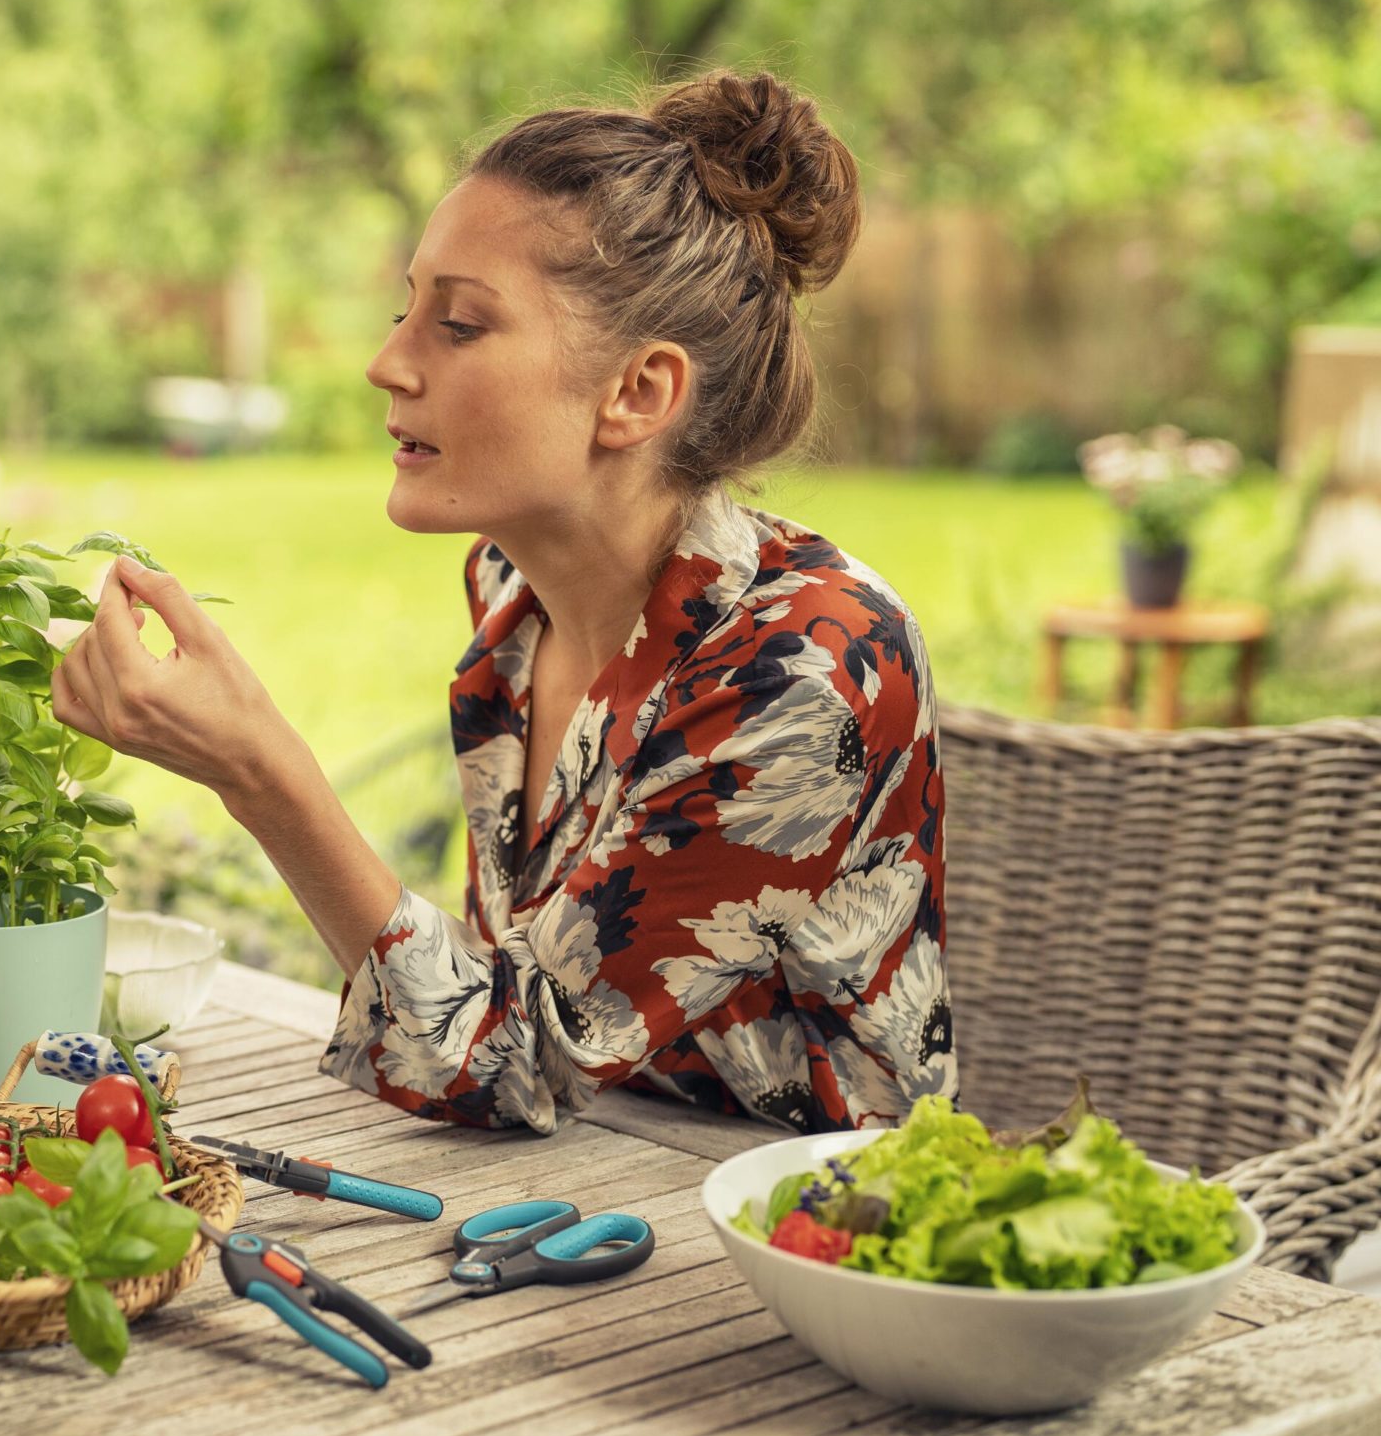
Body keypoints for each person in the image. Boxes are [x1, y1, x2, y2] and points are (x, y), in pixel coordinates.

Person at [52, 71, 953, 1136]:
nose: (388, 362)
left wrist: (259, 771)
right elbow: (520, 1025)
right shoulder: (510, 595)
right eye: (406, 309)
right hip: (572, 1177)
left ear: (638, 394)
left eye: (460, 325)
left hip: (796, 1246)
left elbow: (513, 1060)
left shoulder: (807, 666)